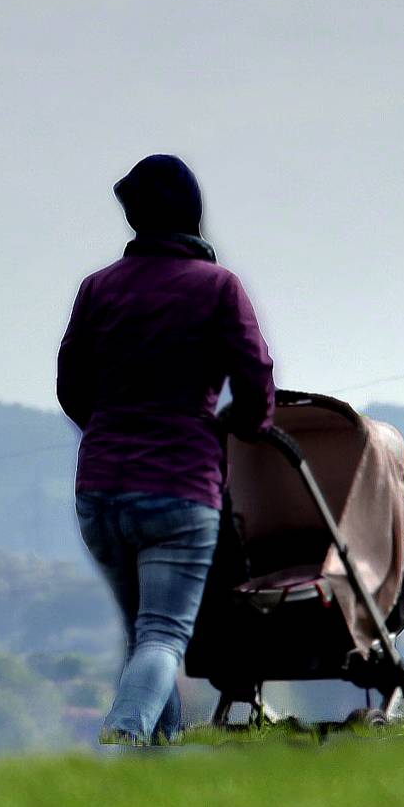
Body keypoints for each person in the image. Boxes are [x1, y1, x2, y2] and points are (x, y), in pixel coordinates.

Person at [57, 154, 275, 746]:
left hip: (100, 492)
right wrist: (244, 429)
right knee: (162, 636)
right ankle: (124, 733)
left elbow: (71, 386)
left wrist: (109, 431)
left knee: (141, 636)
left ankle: (158, 763)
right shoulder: (218, 287)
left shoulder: (98, 288)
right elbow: (255, 380)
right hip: (179, 487)